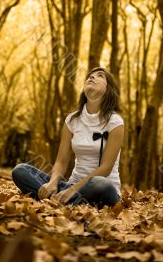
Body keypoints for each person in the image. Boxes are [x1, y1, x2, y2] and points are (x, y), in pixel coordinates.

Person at [12, 67, 124, 208]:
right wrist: (52, 182)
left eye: (100, 76)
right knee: (21, 171)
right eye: (90, 75)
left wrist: (73, 190)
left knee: (101, 184)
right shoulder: (72, 120)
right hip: (71, 186)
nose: (92, 77)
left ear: (109, 89)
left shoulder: (115, 122)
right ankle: (64, 200)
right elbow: (61, 161)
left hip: (102, 188)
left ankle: (57, 200)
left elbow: (106, 168)